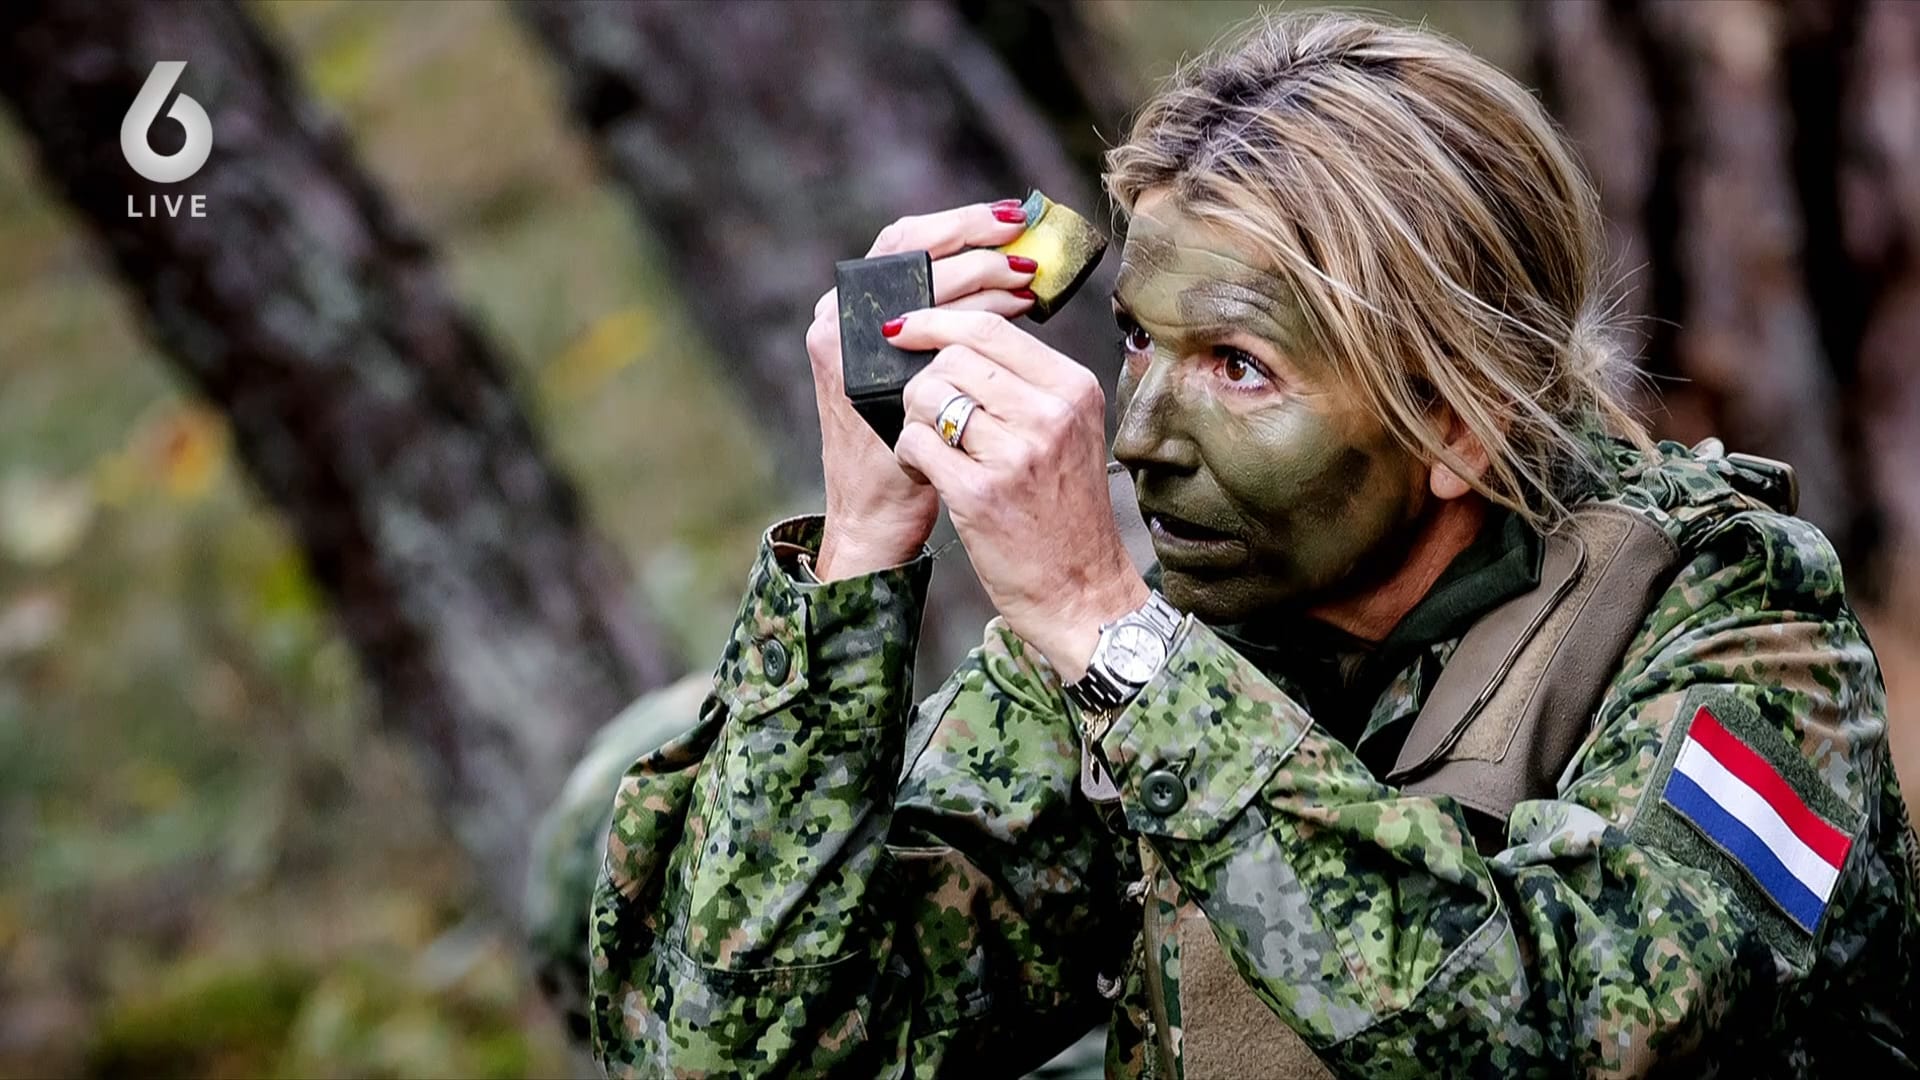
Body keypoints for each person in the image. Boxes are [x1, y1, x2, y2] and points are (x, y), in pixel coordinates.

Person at [564, 11, 1918, 1077]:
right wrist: (862, 551)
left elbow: (1551, 1035)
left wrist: (1123, 652)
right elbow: (737, 1052)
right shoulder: (1187, 624)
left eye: (1240, 367)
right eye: (1140, 340)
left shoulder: (1739, 631)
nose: (1137, 434)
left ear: (1457, 418)